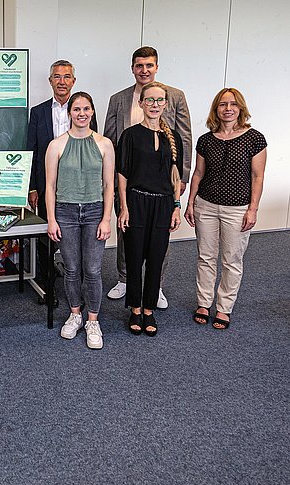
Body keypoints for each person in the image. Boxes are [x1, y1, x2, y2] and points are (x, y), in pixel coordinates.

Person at [104, 46, 192, 308]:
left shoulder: (174, 96)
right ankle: (124, 278)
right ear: (132, 68)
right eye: (139, 66)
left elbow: (184, 137)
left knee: (159, 238)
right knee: (125, 229)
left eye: (149, 65)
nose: (144, 70)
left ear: (156, 67)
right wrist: (109, 179)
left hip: (163, 182)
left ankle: (157, 285)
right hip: (129, 180)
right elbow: (110, 140)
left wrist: (182, 177)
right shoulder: (118, 99)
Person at [185, 88, 267, 330]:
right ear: (216, 109)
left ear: (240, 108)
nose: (227, 108)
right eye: (222, 104)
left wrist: (252, 209)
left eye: (232, 104)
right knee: (206, 257)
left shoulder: (254, 138)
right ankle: (203, 302)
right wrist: (190, 203)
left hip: (237, 209)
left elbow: (258, 177)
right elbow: (198, 174)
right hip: (206, 206)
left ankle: (224, 307)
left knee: (231, 260)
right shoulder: (206, 140)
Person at [45, 92, 114, 349]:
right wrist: (52, 220)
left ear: (92, 112)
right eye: (76, 109)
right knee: (72, 269)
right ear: (69, 113)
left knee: (93, 270)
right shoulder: (57, 145)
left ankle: (93, 321)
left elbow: (109, 185)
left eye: (86, 109)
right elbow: (50, 186)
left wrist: (106, 219)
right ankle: (75, 314)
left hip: (95, 212)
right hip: (66, 213)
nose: (81, 113)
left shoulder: (105, 144)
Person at [27, 60, 98, 302]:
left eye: (67, 77)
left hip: (80, 190)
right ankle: (48, 288)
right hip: (47, 185)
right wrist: (33, 186)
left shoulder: (83, 109)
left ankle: (77, 291)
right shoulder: (37, 112)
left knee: (77, 242)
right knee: (47, 236)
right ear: (50, 81)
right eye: (57, 77)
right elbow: (32, 150)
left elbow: (94, 149)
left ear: (73, 81)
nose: (62, 81)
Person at [117, 82, 183, 336]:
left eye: (159, 101)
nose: (154, 105)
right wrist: (124, 207)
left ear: (165, 104)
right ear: (141, 103)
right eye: (150, 100)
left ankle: (148, 309)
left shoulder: (173, 137)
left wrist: (176, 207)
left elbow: (175, 177)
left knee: (156, 260)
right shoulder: (130, 135)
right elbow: (122, 174)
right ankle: (134, 308)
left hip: (163, 204)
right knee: (134, 258)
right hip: (137, 201)